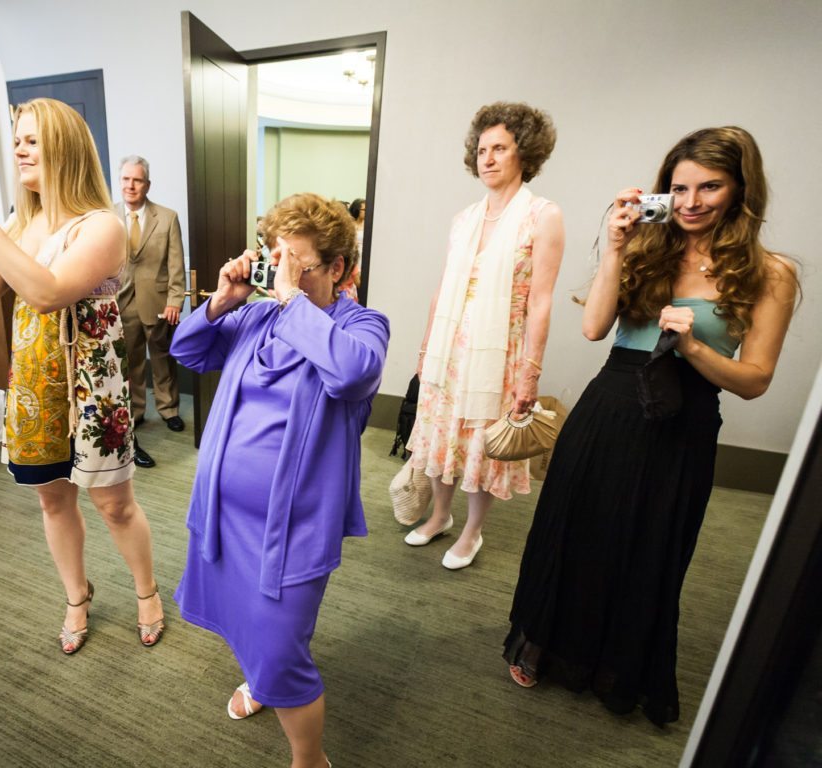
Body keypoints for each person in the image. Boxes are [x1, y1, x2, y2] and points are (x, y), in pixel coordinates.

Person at [503, 126, 799, 725]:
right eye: (679, 187)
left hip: (683, 421)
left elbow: (755, 379)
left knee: (650, 546)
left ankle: (615, 666)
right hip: (609, 406)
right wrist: (614, 246)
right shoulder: (647, 245)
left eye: (709, 187)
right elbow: (594, 329)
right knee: (576, 529)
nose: (690, 202)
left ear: (742, 189)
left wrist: (693, 349)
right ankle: (546, 643)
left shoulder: (771, 273)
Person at [0, 98, 165, 654]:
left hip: (92, 392)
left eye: (32, 139)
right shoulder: (19, 224)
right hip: (35, 389)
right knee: (52, 501)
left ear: (65, 147)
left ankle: (146, 591)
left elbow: (46, 292)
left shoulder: (102, 226)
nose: (19, 148)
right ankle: (76, 596)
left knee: (114, 504)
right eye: (16, 140)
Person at [170, 193, 389, 768]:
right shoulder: (257, 314)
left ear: (337, 268)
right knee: (252, 628)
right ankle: (261, 679)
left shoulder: (361, 325)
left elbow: (351, 373)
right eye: (276, 259)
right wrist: (222, 301)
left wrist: (292, 299)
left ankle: (309, 758)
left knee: (282, 646)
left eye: (299, 262)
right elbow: (188, 351)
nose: (280, 273)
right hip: (225, 516)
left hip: (291, 528)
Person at [402, 102, 565, 569]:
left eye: (500, 148)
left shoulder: (543, 216)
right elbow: (442, 288)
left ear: (524, 153)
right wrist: (425, 347)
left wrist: (530, 372)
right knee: (441, 437)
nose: (487, 158)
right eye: (481, 149)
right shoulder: (464, 218)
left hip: (501, 353)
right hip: (449, 351)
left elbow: (540, 300)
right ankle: (439, 516)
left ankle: (472, 531)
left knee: (478, 443)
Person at [116, 155, 187, 461]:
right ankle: (136, 412)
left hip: (158, 303)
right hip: (120, 303)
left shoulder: (167, 217)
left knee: (162, 358)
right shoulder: (106, 217)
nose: (131, 185)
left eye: (137, 180)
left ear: (147, 184)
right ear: (120, 182)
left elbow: (176, 265)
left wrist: (175, 301)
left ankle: (169, 408)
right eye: (126, 179)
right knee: (130, 363)